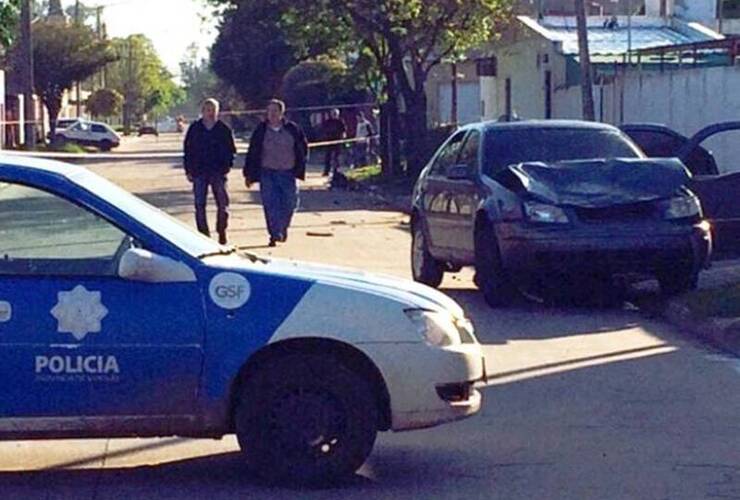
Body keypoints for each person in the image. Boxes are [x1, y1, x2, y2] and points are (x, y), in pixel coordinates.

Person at [243, 99, 308, 247]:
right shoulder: (261, 130)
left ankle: (282, 228)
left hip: (287, 173)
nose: (271, 114)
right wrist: (249, 174)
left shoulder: (292, 129)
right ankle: (274, 233)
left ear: (281, 113)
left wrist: (300, 167)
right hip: (268, 173)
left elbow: (302, 148)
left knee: (290, 203)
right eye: (269, 111)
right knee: (270, 204)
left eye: (275, 111)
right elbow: (252, 152)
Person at [183, 98, 236, 245]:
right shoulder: (195, 129)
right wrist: (188, 170)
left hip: (218, 172)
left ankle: (222, 231)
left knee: (222, 204)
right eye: (207, 109)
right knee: (200, 204)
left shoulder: (223, 129)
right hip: (199, 172)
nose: (210, 113)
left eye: (213, 110)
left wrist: (227, 166)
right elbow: (187, 150)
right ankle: (204, 235)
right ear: (202, 112)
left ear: (218, 111)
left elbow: (232, 150)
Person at [321, 108, 346, 176]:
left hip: (337, 141)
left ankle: (336, 171)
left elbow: (344, 131)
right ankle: (326, 171)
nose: (334, 115)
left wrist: (343, 138)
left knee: (337, 157)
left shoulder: (340, 121)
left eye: (335, 114)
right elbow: (323, 129)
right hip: (329, 141)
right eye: (333, 113)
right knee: (328, 157)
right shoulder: (328, 121)